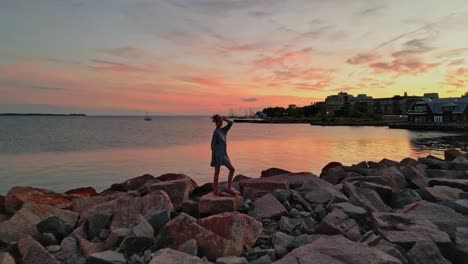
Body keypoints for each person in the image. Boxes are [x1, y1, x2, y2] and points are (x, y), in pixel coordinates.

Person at [210, 114, 236, 196]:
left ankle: (229, 188)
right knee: (217, 172)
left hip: (224, 154)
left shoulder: (223, 131)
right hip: (218, 155)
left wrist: (225, 119)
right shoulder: (215, 133)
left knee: (232, 169)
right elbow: (212, 146)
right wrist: (213, 158)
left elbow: (231, 123)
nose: (220, 123)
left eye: (221, 122)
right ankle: (215, 190)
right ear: (216, 122)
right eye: (219, 122)